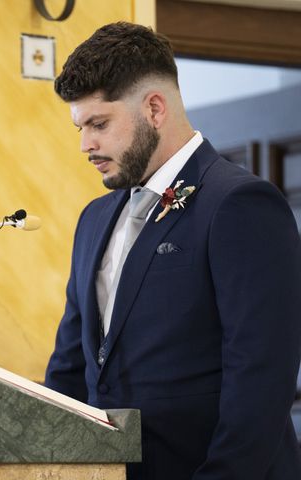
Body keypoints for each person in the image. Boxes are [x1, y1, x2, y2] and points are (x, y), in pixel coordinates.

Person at [44, 21, 301, 480]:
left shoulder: (239, 203)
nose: (86, 145)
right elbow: (70, 368)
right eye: (80, 127)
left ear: (155, 108)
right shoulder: (93, 220)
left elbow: (261, 378)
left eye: (99, 124)